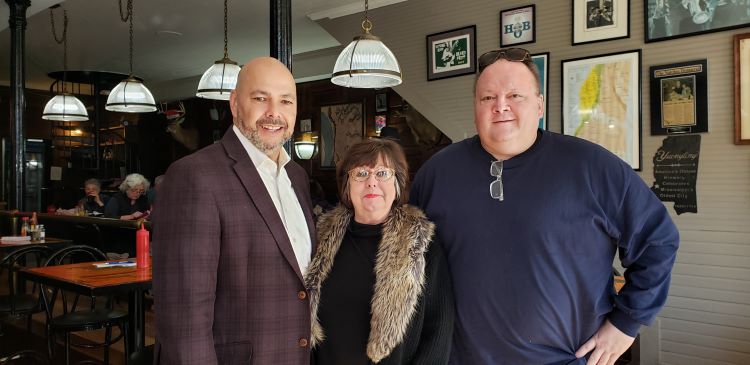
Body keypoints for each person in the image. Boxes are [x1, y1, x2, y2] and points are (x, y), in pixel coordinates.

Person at [409, 47, 680, 365]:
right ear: (475, 108)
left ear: (539, 105)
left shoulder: (592, 167)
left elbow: (658, 241)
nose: (500, 106)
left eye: (515, 95)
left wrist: (626, 324)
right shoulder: (437, 173)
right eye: (487, 98)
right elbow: (407, 263)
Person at [152, 57, 316, 365]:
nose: (274, 113)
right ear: (235, 103)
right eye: (260, 98)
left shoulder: (297, 177)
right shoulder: (194, 175)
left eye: (286, 101)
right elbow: (183, 317)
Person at [305, 138, 454, 365]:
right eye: (361, 174)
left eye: (383, 173)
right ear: (347, 186)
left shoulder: (422, 246)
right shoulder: (319, 240)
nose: (372, 182)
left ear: (398, 184)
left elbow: (439, 330)